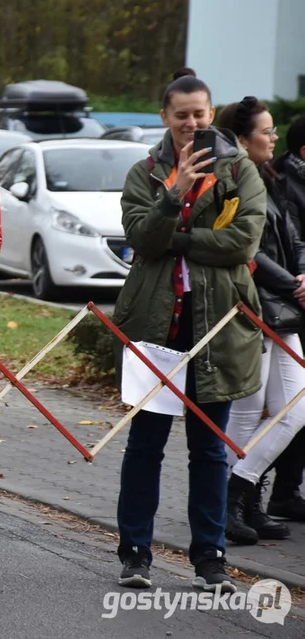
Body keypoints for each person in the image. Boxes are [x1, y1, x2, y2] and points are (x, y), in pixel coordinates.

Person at [113, 69, 265, 593]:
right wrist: (172, 193)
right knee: (146, 444)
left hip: (218, 328)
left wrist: (176, 241)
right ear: (165, 118)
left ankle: (210, 559)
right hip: (158, 326)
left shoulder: (239, 170)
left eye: (200, 114)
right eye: (182, 116)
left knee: (208, 450)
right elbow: (140, 236)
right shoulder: (145, 172)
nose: (192, 124)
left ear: (209, 111)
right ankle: (135, 554)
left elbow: (244, 244)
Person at [219, 101, 305, 540]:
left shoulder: (272, 180)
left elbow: (293, 238)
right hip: (258, 307)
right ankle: (234, 502)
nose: (274, 138)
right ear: (242, 137)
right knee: (250, 411)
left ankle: (239, 492)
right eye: (266, 132)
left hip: (283, 308)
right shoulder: (232, 180)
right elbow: (246, 249)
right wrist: (294, 284)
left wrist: (302, 275)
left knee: (294, 409)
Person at [266, 115, 305, 522]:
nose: (271, 138)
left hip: (293, 295)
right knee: (289, 406)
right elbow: (279, 247)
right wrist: (298, 283)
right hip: (287, 306)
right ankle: (252, 490)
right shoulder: (280, 181)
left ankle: (284, 491)